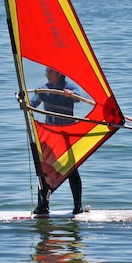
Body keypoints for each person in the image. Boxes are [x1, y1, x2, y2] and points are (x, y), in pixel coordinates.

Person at [29, 68, 84, 216]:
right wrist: (23, 101)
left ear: (59, 74)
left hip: (66, 135)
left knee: (71, 169)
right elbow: (32, 104)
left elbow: (78, 98)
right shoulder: (44, 89)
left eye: (50, 72)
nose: (46, 74)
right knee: (44, 169)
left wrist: (71, 94)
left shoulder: (69, 87)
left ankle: (78, 205)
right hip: (51, 135)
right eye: (46, 71)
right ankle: (43, 205)